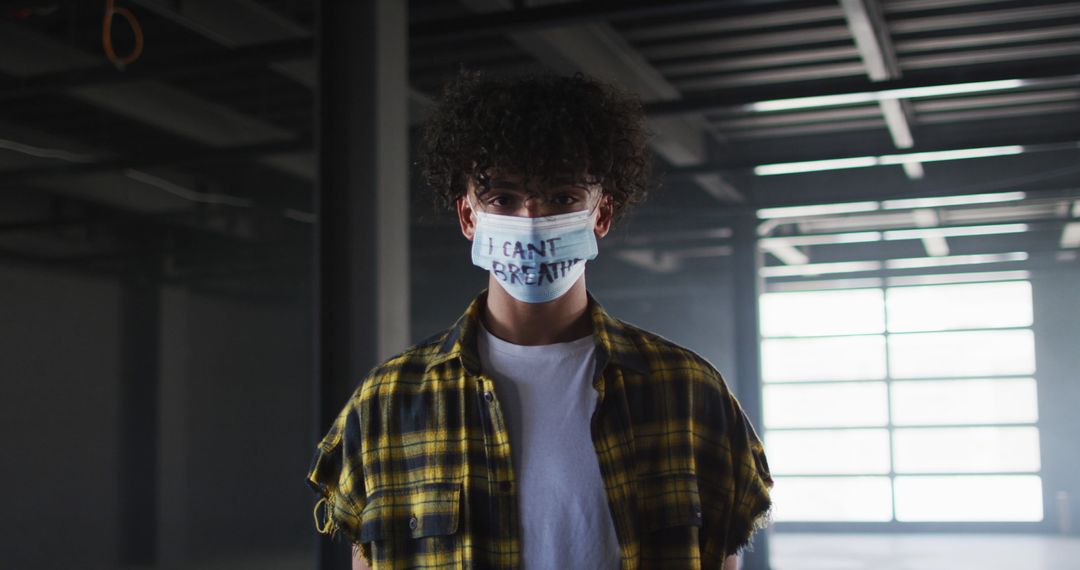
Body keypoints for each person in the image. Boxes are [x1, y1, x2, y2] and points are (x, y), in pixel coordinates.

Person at [307, 72, 772, 570]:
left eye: (562, 197)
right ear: (468, 217)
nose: (531, 219)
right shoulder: (387, 402)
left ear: (601, 214)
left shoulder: (689, 391)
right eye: (503, 199)